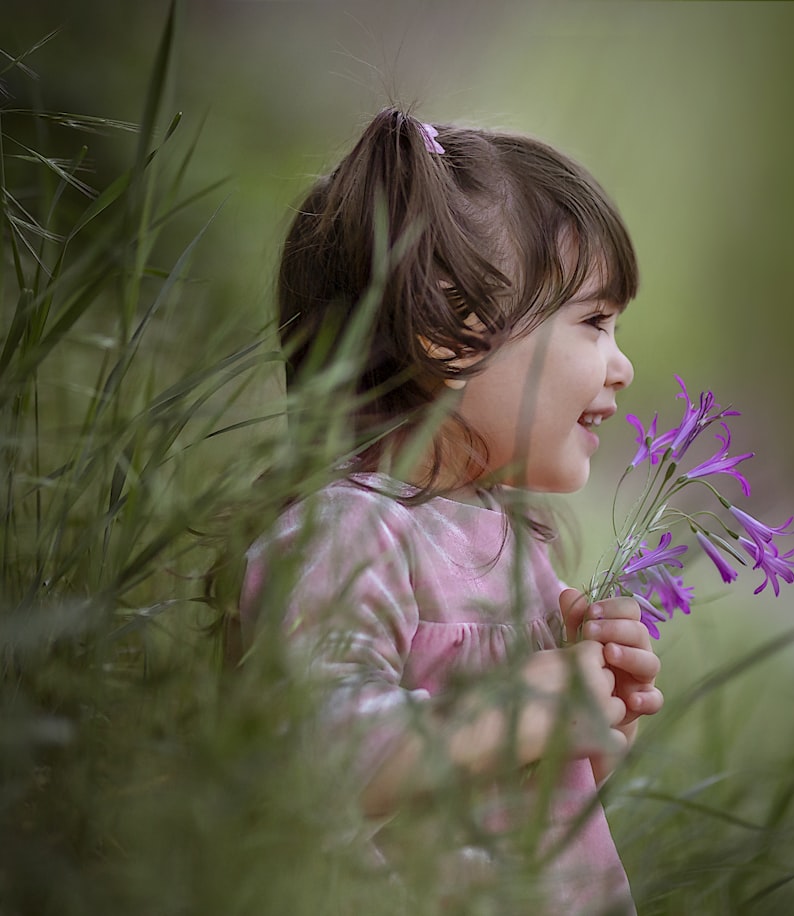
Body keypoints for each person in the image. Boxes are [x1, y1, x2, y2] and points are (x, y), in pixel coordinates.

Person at [240, 108, 662, 914]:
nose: (622, 364)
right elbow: (314, 757)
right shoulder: (343, 535)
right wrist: (526, 706)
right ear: (453, 337)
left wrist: (593, 718)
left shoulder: (510, 541)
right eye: (596, 322)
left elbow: (519, 799)